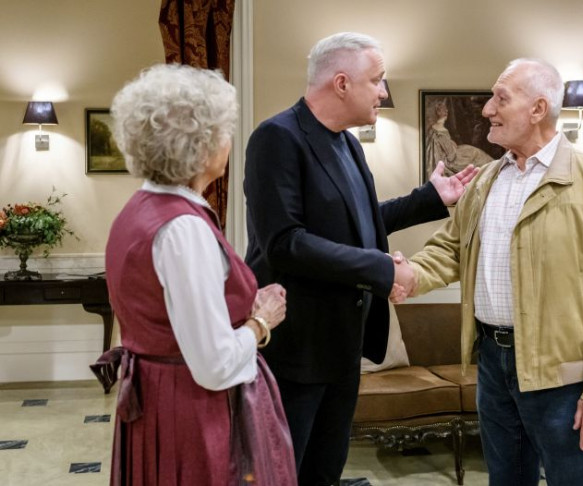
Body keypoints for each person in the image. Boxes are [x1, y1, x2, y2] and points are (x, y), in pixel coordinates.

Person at [395, 58, 583, 486]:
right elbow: (452, 249)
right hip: (493, 366)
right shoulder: (485, 180)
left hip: (565, 378)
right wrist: (410, 275)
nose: (487, 110)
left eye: (500, 98)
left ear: (537, 109)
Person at [243, 32, 477, 486]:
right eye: (378, 80)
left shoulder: (348, 144)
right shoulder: (277, 138)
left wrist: (430, 198)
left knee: (326, 472)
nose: (384, 91)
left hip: (344, 348)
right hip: (297, 349)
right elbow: (284, 242)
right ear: (342, 83)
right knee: (284, 474)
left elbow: (362, 222)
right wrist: (382, 270)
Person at [92, 64, 297, 485]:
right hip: (189, 413)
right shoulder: (183, 228)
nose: (228, 142)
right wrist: (261, 321)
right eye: (224, 132)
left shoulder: (136, 211)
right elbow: (214, 365)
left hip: (155, 401)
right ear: (201, 147)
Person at [425, 98, 492, 177]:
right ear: (440, 113)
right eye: (444, 110)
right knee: (475, 153)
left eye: (446, 110)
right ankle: (492, 169)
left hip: (449, 152)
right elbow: (451, 156)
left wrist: (452, 143)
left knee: (471, 150)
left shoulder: (435, 128)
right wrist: (454, 146)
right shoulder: (441, 130)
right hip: (452, 159)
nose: (447, 111)